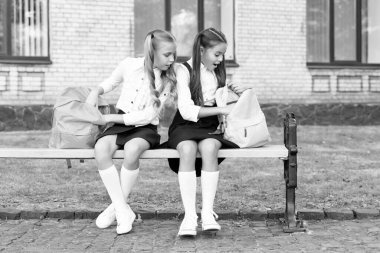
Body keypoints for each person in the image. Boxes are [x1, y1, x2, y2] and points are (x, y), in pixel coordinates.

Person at [86, 30, 177, 235]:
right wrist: (95, 91)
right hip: (121, 122)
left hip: (145, 128)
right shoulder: (129, 65)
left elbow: (146, 116)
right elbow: (111, 82)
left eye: (173, 55)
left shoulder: (168, 79)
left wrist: (110, 118)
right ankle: (122, 209)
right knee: (101, 148)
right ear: (152, 52)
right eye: (167, 54)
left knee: (132, 149)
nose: (171, 59)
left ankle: (115, 209)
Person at [166, 27, 238, 236]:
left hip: (208, 127)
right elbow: (187, 111)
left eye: (223, 54)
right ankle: (189, 216)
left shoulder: (218, 73)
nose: (220, 59)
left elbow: (224, 105)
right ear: (201, 50)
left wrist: (234, 95)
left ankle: (207, 212)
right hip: (185, 124)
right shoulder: (183, 70)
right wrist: (221, 109)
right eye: (217, 54)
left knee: (209, 148)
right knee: (187, 150)